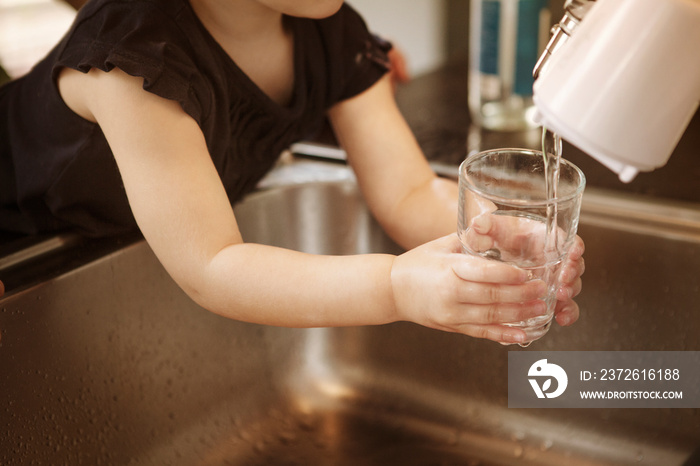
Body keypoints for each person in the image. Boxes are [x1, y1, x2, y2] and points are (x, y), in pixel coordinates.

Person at [0, 0, 584, 344]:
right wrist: (397, 287)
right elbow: (213, 265)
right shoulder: (132, 64)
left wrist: (500, 233)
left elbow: (404, 189)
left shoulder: (327, 31)